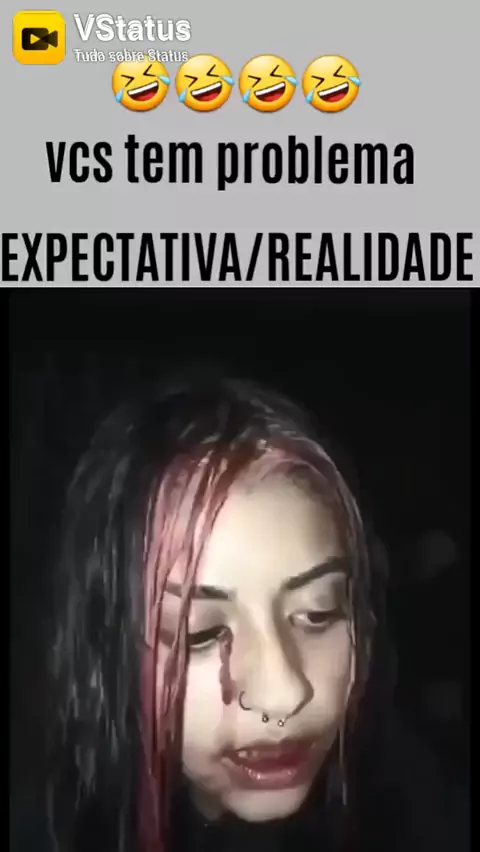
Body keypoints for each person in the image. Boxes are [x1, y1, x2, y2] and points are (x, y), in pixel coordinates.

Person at [43, 371, 466, 852]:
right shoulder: (53, 832)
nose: (283, 695)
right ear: (107, 647)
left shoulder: (428, 808)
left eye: (319, 613)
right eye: (200, 633)